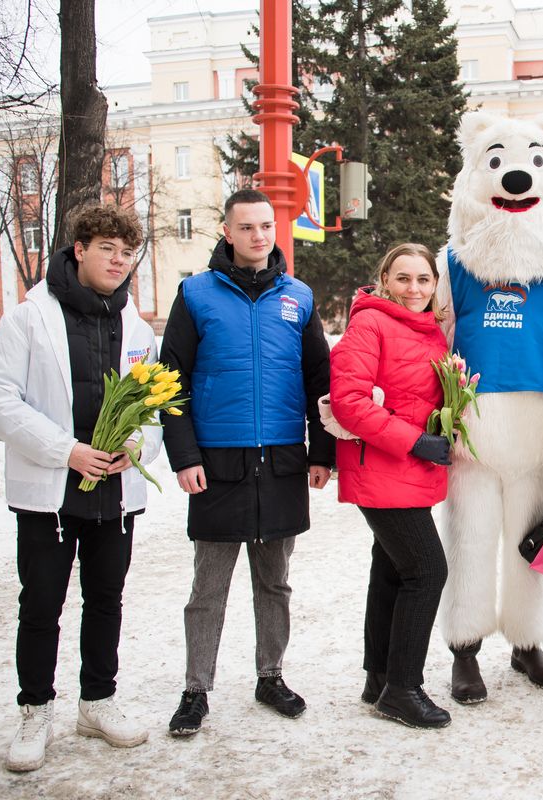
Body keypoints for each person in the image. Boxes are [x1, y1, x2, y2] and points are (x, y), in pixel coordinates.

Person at [0, 204, 160, 772]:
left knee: (107, 601)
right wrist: (67, 451)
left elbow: (154, 406)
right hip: (51, 491)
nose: (118, 260)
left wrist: (135, 450)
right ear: (79, 249)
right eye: (107, 248)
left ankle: (97, 701)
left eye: (127, 252)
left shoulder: (133, 324)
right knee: (41, 606)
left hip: (114, 490)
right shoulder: (30, 316)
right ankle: (35, 710)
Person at [160, 188, 333, 737]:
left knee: (275, 583)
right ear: (227, 232)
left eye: (266, 226)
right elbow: (170, 383)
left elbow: (319, 383)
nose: (260, 236)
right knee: (208, 588)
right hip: (218, 463)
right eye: (247, 227)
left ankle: (270, 675)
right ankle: (195, 689)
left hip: (282, 461)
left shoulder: (298, 297)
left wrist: (322, 451)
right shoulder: (195, 294)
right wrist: (184, 456)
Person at [329, 243, 453, 729]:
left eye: (424, 279)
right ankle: (403, 688)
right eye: (404, 278)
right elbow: (350, 402)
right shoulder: (370, 323)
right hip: (382, 467)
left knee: (393, 569)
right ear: (385, 279)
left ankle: (379, 675)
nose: (415, 289)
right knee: (427, 571)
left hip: (407, 470)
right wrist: (416, 441)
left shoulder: (430, 330)